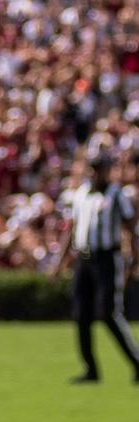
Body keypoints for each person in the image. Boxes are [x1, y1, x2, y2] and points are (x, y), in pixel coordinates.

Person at [50, 154, 139, 384]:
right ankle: (90, 369)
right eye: (94, 168)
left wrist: (134, 262)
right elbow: (72, 230)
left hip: (107, 258)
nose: (97, 173)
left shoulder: (116, 194)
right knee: (81, 315)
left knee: (108, 313)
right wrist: (60, 263)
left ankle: (136, 362)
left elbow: (130, 228)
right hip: (84, 259)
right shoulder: (80, 194)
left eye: (101, 168)